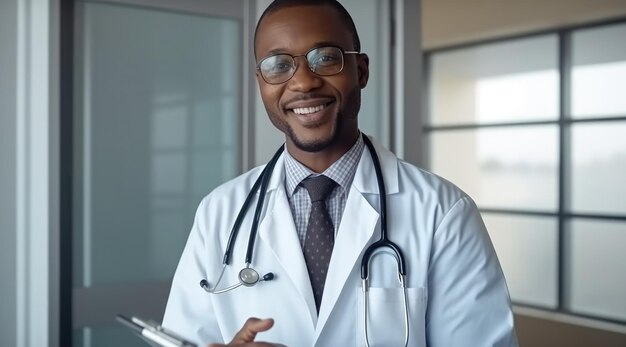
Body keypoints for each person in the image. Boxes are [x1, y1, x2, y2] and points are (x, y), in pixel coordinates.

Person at [162, 0, 519, 346]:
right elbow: (185, 339)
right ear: (261, 82)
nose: (303, 82)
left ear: (361, 71)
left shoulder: (443, 212)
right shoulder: (220, 212)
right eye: (277, 65)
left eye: (326, 58)